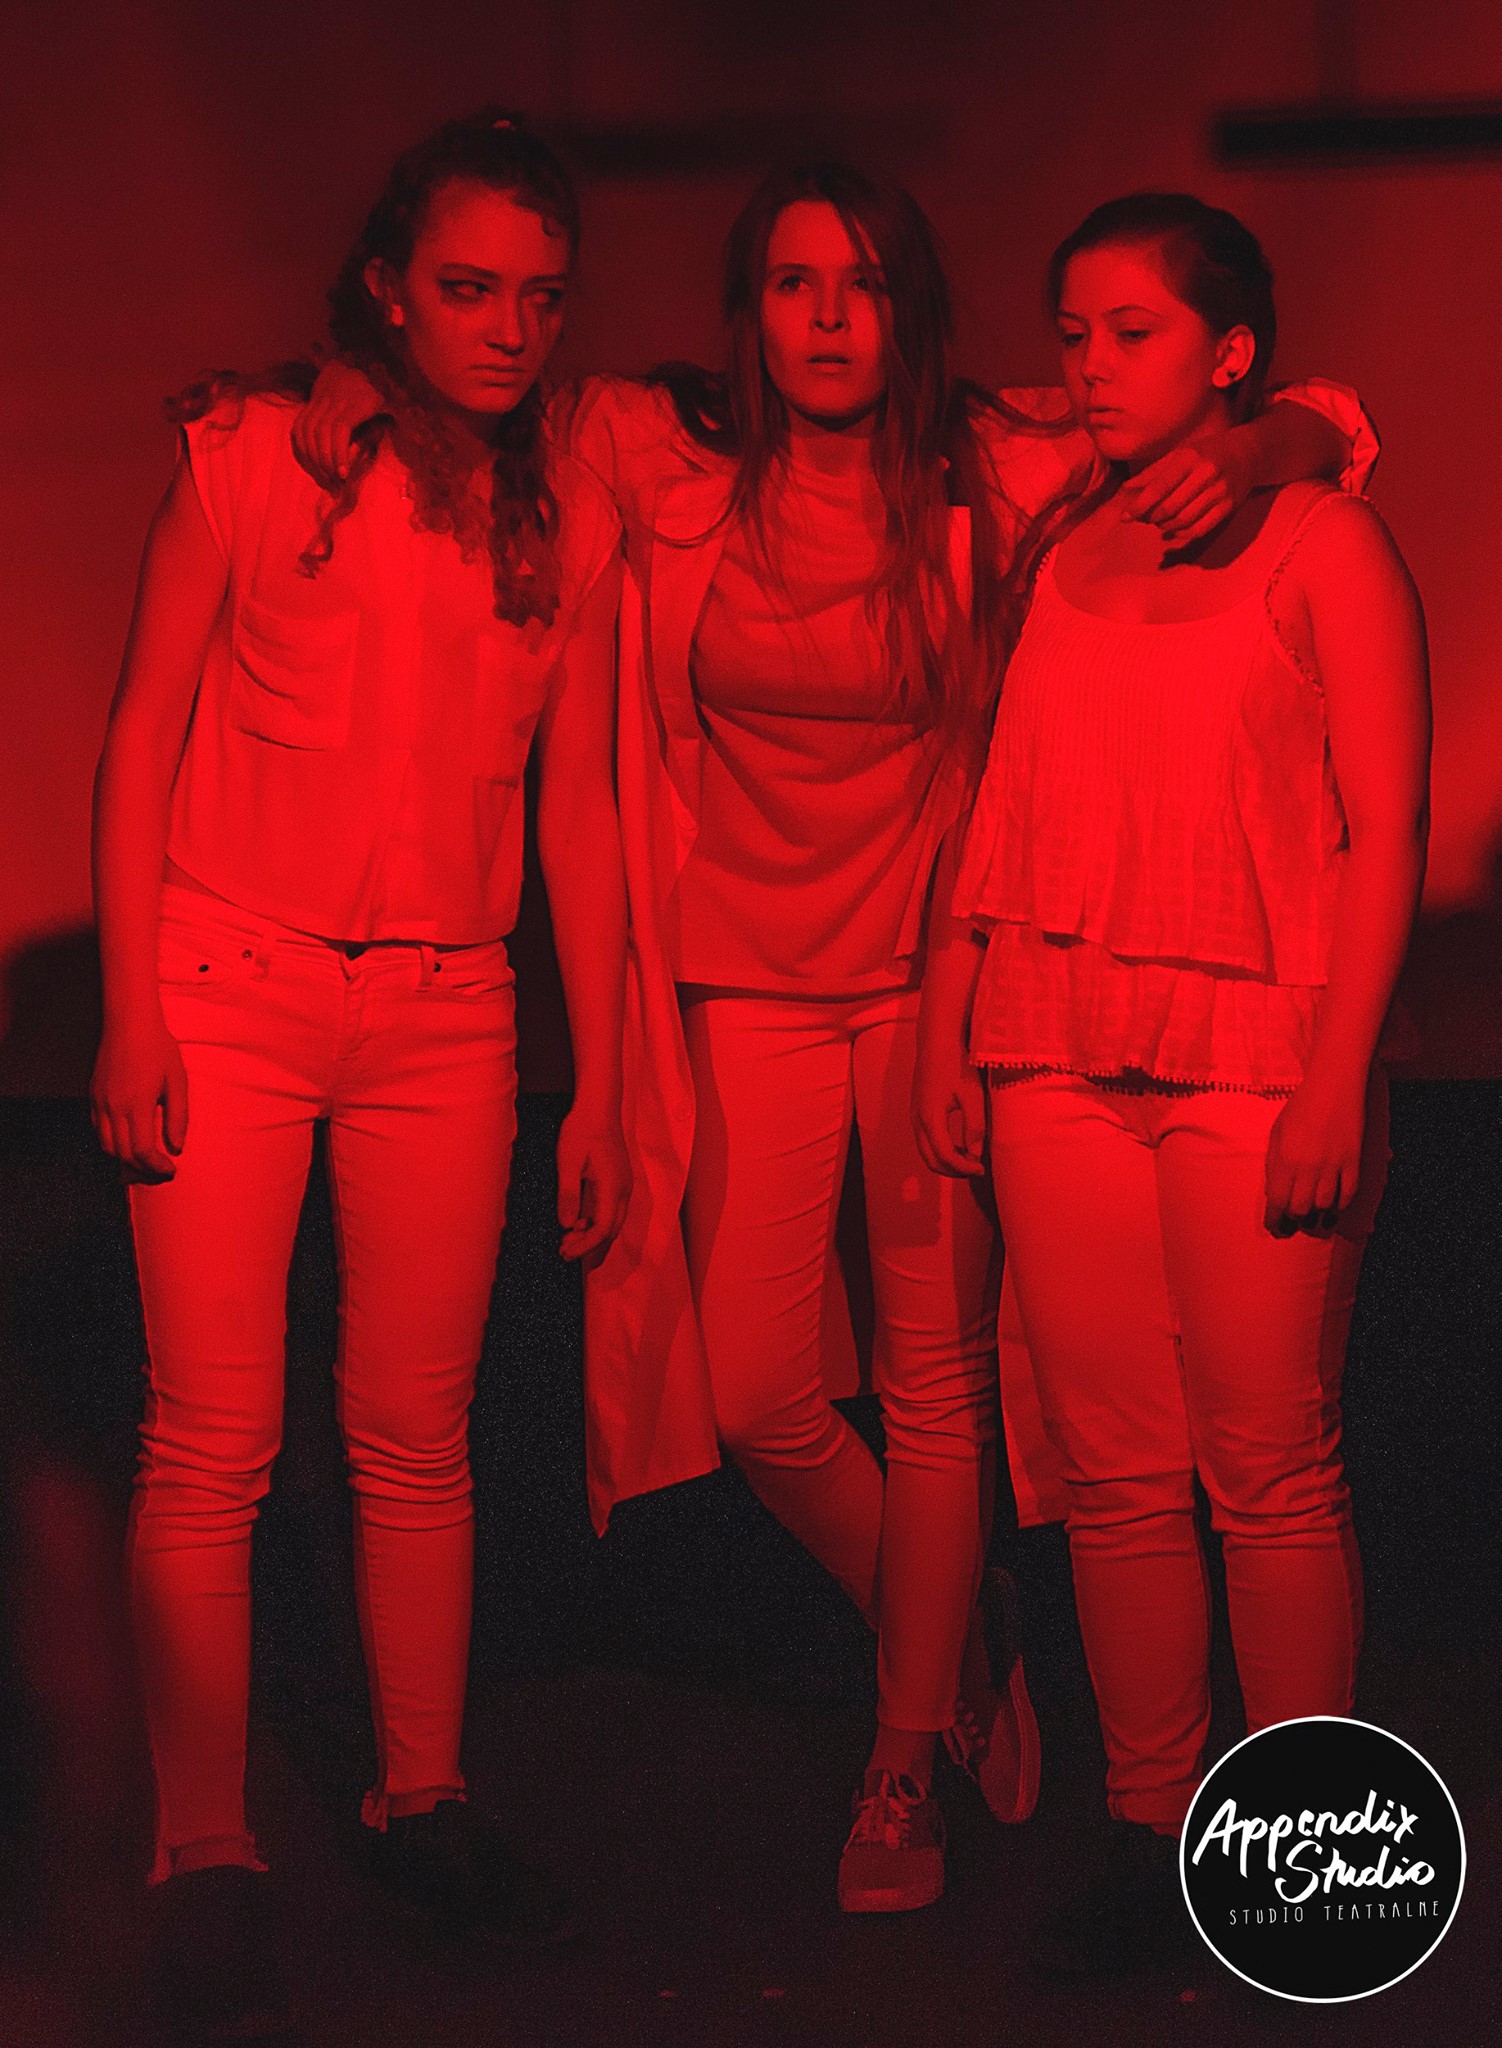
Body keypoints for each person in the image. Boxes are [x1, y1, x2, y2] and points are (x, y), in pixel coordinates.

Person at [295, 161, 1371, 1917]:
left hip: (938, 980)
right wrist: (336, 377)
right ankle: (945, 1627)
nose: (826, 317)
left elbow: (1321, 409)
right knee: (757, 1393)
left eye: (861, 284)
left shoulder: (998, 461)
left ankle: (898, 1762)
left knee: (938, 1387)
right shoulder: (660, 459)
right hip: (745, 980)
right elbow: (466, 390)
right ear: (751, 307)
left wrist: (1260, 449)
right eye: (794, 282)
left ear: (906, 308)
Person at [91, 109, 627, 2036]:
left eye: (540, 297)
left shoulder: (571, 503)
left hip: (447, 1005)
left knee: (415, 1431)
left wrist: (606, 1073)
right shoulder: (255, 455)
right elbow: (142, 731)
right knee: (211, 1437)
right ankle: (202, 1842)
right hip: (227, 977)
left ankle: (426, 1796)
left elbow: (576, 808)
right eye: (468, 289)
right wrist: (130, 1012)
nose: (508, 328)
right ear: (389, 290)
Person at [922, 193, 1429, 1977]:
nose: (1087, 365)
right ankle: (1149, 1834)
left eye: (1128, 332)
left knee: (1266, 1468)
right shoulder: (1064, 534)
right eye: (1070, 333)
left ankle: (1300, 1863)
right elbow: (1012, 797)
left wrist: (1336, 1073)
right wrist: (964, 1013)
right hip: (1056, 1041)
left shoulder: (1322, 542)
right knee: (1116, 1474)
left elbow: (1383, 830)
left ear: (1229, 354)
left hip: (1251, 1050)